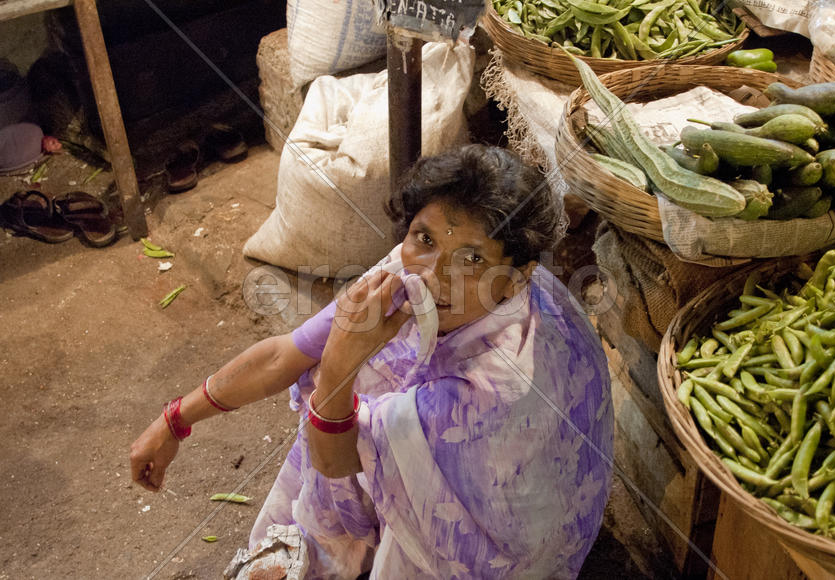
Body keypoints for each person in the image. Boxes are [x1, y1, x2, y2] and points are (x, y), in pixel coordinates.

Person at [130, 144, 614, 579]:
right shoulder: (410, 272)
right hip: (456, 459)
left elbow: (334, 460)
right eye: (425, 239)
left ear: (516, 275)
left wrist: (340, 364)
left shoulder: (493, 386)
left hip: (502, 544)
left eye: (471, 259)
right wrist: (176, 420)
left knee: (353, 397)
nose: (434, 274)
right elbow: (289, 351)